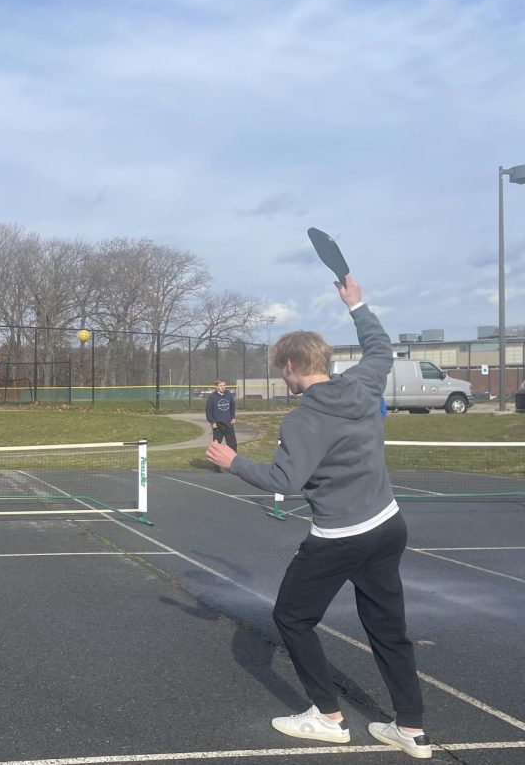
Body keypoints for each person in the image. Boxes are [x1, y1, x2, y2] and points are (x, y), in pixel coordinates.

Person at [206, 277, 430, 760]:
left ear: (290, 366)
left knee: (291, 617)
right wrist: (358, 304)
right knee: (388, 628)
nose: (283, 378)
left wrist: (233, 463)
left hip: (339, 538)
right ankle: (410, 728)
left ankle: (327, 717)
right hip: (388, 526)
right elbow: (381, 348)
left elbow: (286, 480)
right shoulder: (364, 383)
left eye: (281, 371)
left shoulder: (302, 419)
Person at [204, 378, 237, 472]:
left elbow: (232, 406)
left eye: (224, 385)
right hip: (218, 425)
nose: (223, 387)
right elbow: (208, 412)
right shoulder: (212, 397)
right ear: (216, 387)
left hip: (228, 424)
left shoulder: (228, 395)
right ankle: (216, 467)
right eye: (221, 385)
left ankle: (233, 466)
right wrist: (212, 422)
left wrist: (232, 417)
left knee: (233, 445)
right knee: (217, 446)